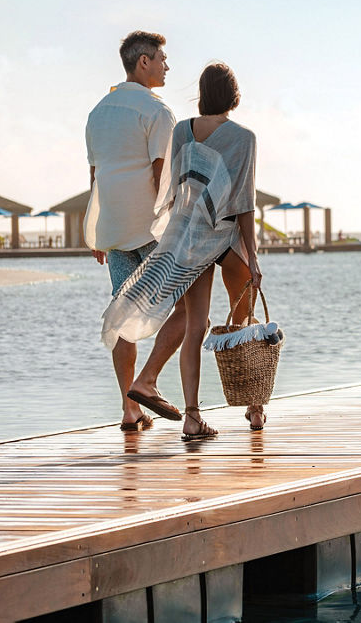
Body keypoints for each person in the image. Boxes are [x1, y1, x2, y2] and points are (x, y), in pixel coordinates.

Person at [101, 63, 264, 440]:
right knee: (244, 318)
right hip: (225, 236)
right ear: (234, 96)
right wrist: (253, 257)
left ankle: (192, 417)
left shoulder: (182, 130)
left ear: (202, 94)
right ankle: (255, 409)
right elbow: (243, 202)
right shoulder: (244, 137)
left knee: (195, 327)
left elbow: (174, 190)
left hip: (190, 238)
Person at [85, 31, 187, 431]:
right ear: (143, 61)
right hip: (151, 229)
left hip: (113, 227)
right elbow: (163, 174)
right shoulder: (158, 111)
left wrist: (96, 231)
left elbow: (96, 176)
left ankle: (129, 410)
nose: (167, 65)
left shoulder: (98, 112)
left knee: (122, 311)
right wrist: (175, 226)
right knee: (189, 308)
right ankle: (147, 383)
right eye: (162, 58)